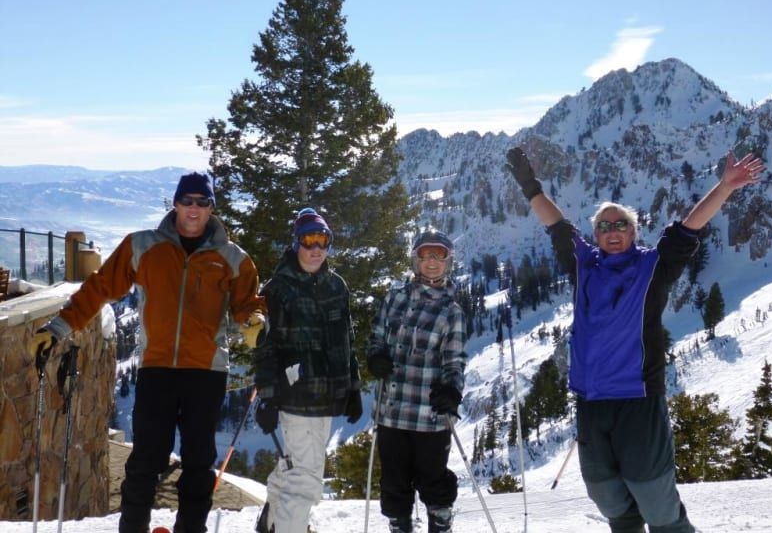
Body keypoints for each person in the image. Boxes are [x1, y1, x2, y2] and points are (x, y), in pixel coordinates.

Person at [506, 147, 765, 533]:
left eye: (621, 224)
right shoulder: (583, 264)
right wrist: (530, 187)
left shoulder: (652, 266)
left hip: (638, 398)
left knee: (655, 497)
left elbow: (690, 227)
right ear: (596, 234)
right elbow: (556, 223)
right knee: (606, 494)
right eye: (605, 226)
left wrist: (725, 186)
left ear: (633, 231)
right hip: (591, 400)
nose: (613, 231)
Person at [28, 172, 265, 533]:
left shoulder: (232, 258)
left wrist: (255, 322)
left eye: (202, 201)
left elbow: (248, 304)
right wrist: (59, 328)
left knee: (198, 463)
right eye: (187, 200)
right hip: (158, 369)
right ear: (176, 204)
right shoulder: (143, 246)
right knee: (144, 461)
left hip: (207, 371)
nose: (194, 208)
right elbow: (99, 287)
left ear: (211, 208)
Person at [253, 208, 362, 533]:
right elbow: (265, 347)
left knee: (295, 466)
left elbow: (346, 340)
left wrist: (353, 387)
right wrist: (268, 397)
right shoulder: (278, 289)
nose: (316, 248)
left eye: (323, 240)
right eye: (309, 240)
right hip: (295, 395)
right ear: (296, 243)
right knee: (306, 480)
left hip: (327, 397)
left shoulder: (336, 286)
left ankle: (272, 520)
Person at [367, 230, 467, 533]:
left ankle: (440, 520)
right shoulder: (394, 298)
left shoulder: (451, 311)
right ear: (415, 259)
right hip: (392, 410)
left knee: (432, 477)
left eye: (440, 255)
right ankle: (399, 524)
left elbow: (454, 360)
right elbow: (377, 337)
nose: (432, 261)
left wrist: (452, 391)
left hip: (429, 414)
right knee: (394, 480)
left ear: (448, 261)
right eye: (425, 254)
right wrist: (375, 356)